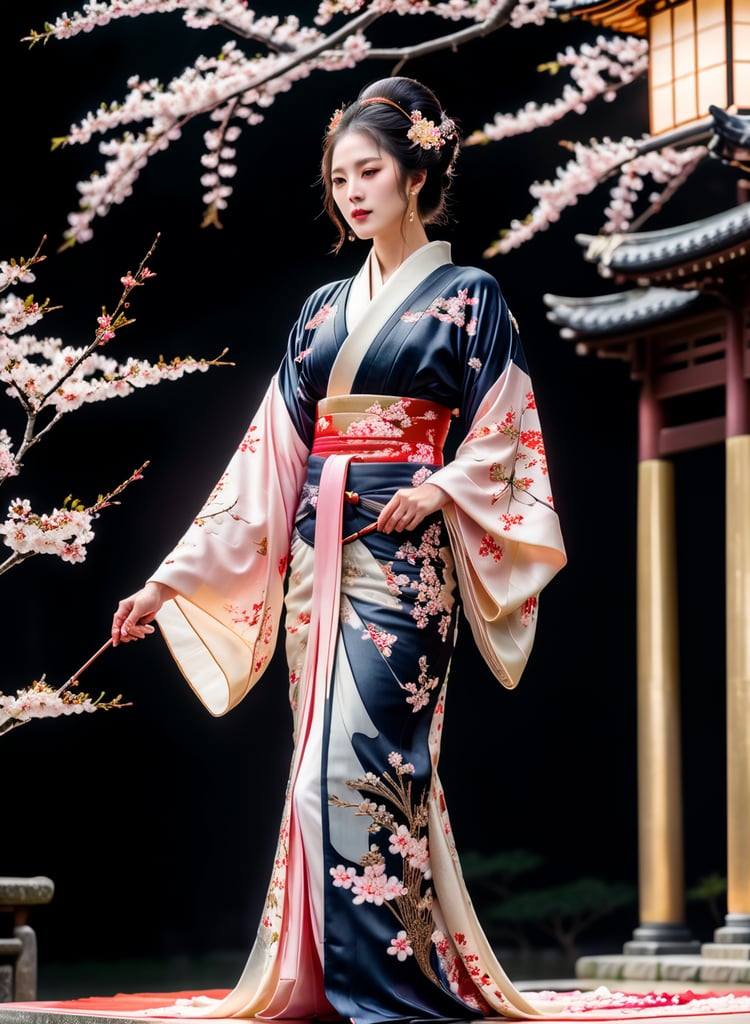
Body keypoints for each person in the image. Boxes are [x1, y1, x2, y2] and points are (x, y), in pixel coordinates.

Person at [112, 76, 567, 1023]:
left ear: (414, 175)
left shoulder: (470, 294)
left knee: (364, 763)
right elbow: (268, 452)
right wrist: (167, 582)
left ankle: (384, 991)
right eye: (338, 178)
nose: (350, 192)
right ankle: (341, 980)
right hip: (317, 563)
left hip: (407, 567)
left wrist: (439, 485)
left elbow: (504, 432)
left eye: (368, 172)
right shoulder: (320, 310)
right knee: (316, 763)